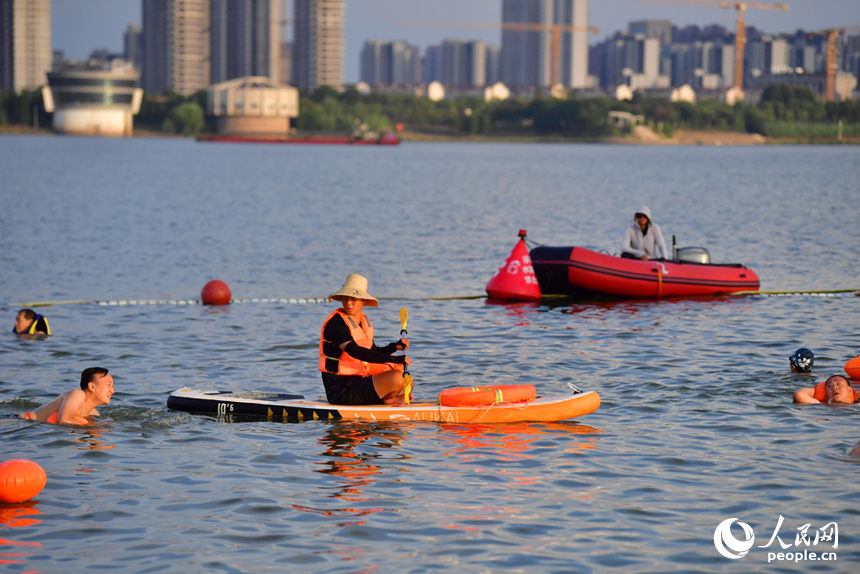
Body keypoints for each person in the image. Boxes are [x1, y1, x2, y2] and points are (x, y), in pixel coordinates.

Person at [319, 274, 411, 406]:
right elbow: (355, 351)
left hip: (360, 380)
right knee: (397, 378)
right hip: (341, 390)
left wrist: (394, 347)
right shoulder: (336, 324)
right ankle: (390, 400)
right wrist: (393, 359)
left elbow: (371, 351)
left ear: (364, 301)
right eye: (345, 298)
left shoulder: (363, 321)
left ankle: (389, 400)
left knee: (407, 380)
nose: (348, 303)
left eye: (353, 299)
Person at [20, 367, 114, 424]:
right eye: (109, 385)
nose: (112, 391)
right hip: (19, 421)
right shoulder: (78, 394)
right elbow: (64, 420)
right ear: (92, 386)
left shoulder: (93, 413)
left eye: (113, 386)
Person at [793, 374, 857, 404]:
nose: (834, 388)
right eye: (829, 386)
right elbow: (799, 395)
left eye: (838, 384)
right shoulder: (821, 406)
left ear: (849, 390)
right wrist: (814, 390)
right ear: (826, 394)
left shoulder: (856, 405)